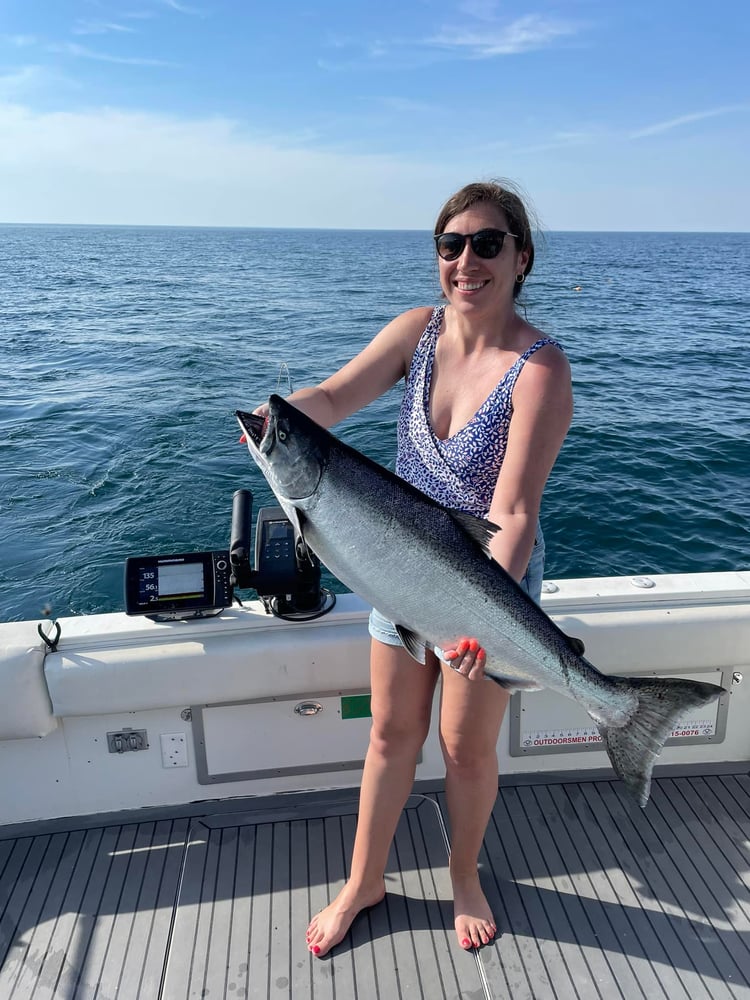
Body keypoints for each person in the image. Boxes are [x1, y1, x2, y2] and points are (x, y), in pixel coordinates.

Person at [253, 180, 573, 956]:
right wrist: (281, 419)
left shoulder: (540, 368)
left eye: (487, 243)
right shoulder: (415, 333)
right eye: (451, 244)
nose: (467, 260)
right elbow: (332, 395)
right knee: (392, 736)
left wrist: (479, 618)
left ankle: (464, 876)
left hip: (491, 582)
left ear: (521, 257)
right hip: (395, 569)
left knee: (465, 749)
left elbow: (518, 511)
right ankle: (366, 879)